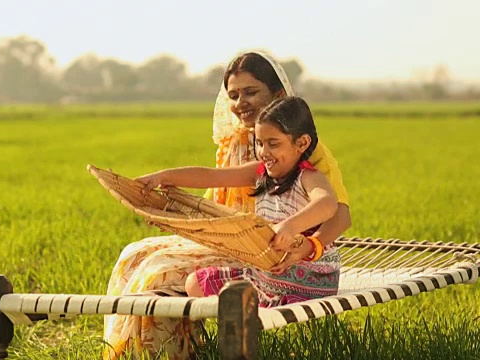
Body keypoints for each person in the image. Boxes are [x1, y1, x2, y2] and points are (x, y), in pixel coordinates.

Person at [102, 52, 350, 360]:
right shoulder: (242, 146)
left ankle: (172, 354)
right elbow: (213, 192)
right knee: (133, 255)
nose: (240, 102)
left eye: (251, 92)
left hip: (265, 248)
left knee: (157, 272)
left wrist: (308, 245)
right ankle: (123, 352)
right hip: (228, 239)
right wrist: (167, 194)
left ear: (277, 93)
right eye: (233, 95)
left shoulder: (302, 150)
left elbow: (337, 213)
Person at [137, 96, 340, 304]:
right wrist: (164, 177)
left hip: (309, 273)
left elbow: (327, 203)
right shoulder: (260, 173)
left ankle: (255, 313)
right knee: (195, 283)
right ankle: (244, 317)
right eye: (260, 143)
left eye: (273, 144)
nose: (264, 152)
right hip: (268, 270)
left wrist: (289, 227)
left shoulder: (308, 177)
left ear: (302, 143)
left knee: (237, 295)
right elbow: (211, 176)